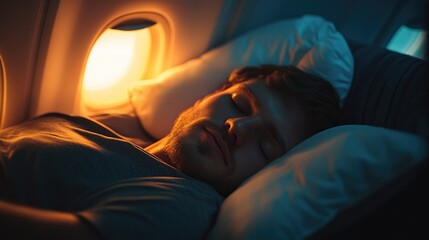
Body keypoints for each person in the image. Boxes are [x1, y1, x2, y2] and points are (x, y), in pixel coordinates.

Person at [0, 65, 342, 239]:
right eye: (238, 104)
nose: (238, 129)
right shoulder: (115, 128)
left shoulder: (181, 204)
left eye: (266, 146)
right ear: (213, 93)